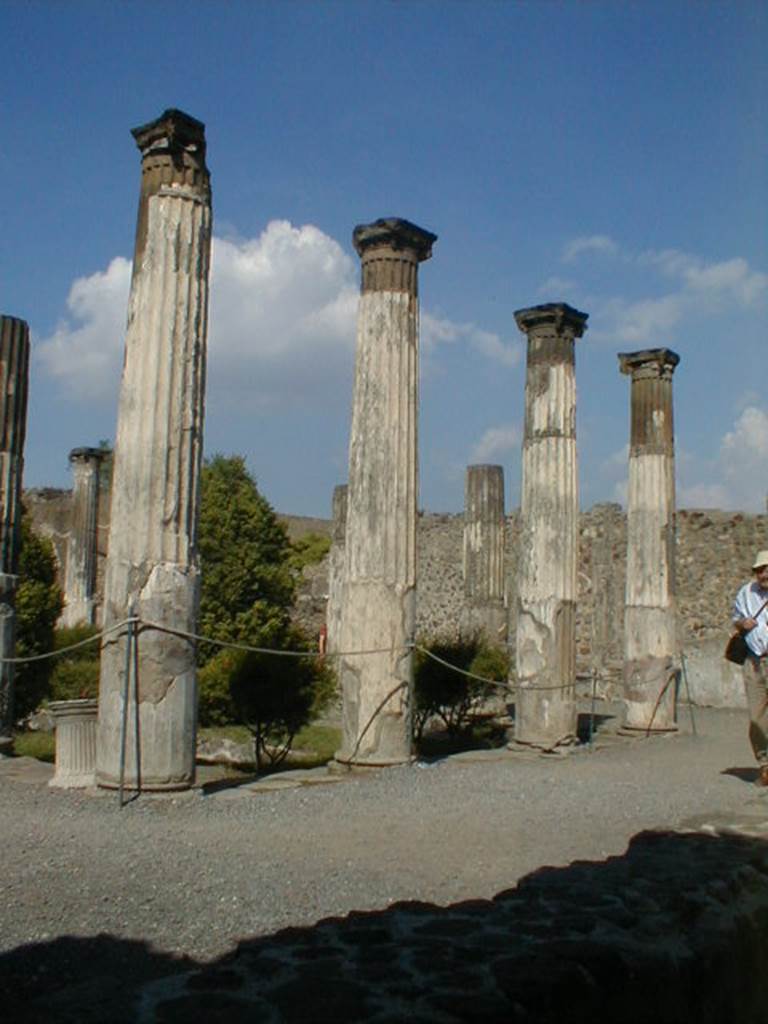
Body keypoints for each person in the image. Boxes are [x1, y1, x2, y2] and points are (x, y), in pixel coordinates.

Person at [732, 550, 768, 786]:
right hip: (754, 661)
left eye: (766, 569)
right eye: (760, 570)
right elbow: (735, 618)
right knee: (756, 718)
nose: (764, 574)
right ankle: (765, 765)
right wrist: (742, 623)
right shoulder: (746, 592)